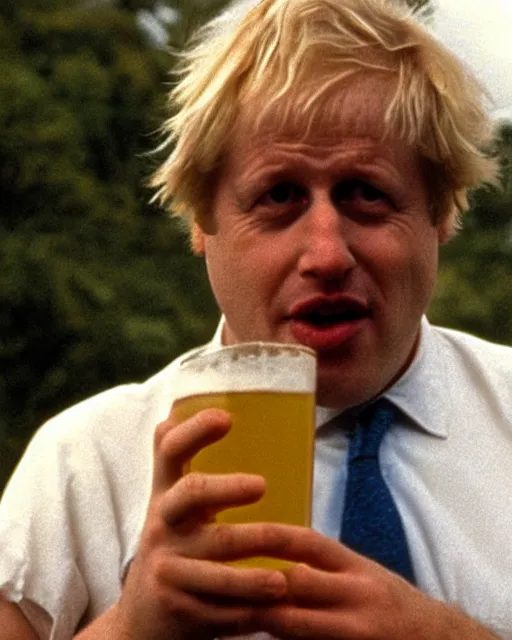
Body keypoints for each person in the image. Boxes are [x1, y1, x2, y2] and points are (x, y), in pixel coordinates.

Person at [1, 0, 511, 638]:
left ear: (440, 214)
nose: (327, 254)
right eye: (278, 196)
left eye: (367, 194)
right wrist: (130, 625)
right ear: (201, 222)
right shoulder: (84, 467)